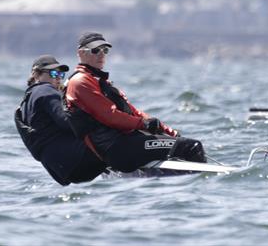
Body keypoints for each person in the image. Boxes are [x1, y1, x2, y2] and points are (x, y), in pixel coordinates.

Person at [64, 32, 206, 173]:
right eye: (95, 50)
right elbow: (110, 116)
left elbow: (133, 112)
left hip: (125, 144)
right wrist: (143, 124)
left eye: (105, 50)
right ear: (81, 53)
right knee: (192, 146)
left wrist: (170, 132)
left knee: (179, 144)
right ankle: (199, 190)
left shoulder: (98, 81)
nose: (101, 54)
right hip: (117, 149)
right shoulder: (80, 82)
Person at [14, 55, 107, 185]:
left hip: (62, 171)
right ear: (36, 75)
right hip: (77, 159)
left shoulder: (25, 104)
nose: (57, 77)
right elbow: (67, 122)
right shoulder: (45, 90)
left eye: (60, 74)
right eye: (53, 73)